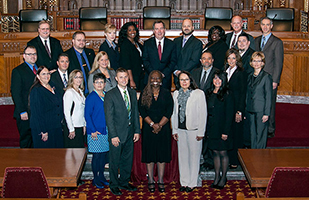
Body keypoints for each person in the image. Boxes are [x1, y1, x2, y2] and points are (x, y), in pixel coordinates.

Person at [104, 68, 140, 196]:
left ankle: (124, 182)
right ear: (116, 79)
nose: (124, 79)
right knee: (114, 161)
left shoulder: (131, 92)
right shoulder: (110, 94)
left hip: (130, 132)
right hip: (117, 134)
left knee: (127, 159)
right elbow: (109, 117)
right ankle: (114, 184)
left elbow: (135, 113)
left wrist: (137, 130)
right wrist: (113, 135)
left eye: (126, 77)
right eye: (121, 77)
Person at [171, 71, 207, 193]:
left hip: (194, 130)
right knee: (183, 157)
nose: (184, 82)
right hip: (180, 130)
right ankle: (184, 182)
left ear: (191, 80)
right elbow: (174, 113)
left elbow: (203, 114)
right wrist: (174, 129)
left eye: (186, 79)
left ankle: (192, 183)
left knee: (194, 157)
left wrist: (201, 132)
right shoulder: (176, 94)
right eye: (181, 80)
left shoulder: (198, 93)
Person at [138, 70, 173, 193]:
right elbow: (142, 110)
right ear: (149, 79)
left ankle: (161, 180)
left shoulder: (166, 93)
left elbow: (169, 111)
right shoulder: (144, 93)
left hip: (163, 129)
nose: (155, 81)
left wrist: (159, 125)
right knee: (150, 155)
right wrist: (153, 124)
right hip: (149, 128)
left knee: (162, 156)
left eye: (158, 79)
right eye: (152, 78)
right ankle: (151, 180)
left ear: (161, 80)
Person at [254, 17, 284, 138]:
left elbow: (278, 63)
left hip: (270, 78)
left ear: (272, 26)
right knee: (259, 102)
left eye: (268, 25)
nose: (265, 27)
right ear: (260, 26)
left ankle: (270, 129)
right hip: (257, 77)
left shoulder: (277, 42)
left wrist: (275, 80)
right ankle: (258, 126)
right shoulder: (256, 40)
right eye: (263, 24)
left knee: (269, 104)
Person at [205, 71, 234, 189]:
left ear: (223, 80)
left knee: (223, 152)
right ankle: (216, 176)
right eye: (215, 78)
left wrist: (225, 131)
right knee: (215, 152)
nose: (217, 81)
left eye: (219, 79)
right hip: (211, 127)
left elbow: (229, 114)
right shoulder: (209, 93)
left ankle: (223, 177)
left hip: (222, 127)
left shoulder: (227, 93)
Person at [191, 50, 219, 170]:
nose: (206, 61)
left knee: (209, 135)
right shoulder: (194, 72)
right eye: (204, 58)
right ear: (200, 61)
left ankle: (209, 160)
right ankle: (198, 158)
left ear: (212, 60)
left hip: (211, 109)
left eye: (209, 58)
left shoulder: (217, 73)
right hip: (196, 109)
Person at [85, 73, 110, 189]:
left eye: (102, 82)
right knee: (96, 157)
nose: (100, 84)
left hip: (105, 131)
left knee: (103, 156)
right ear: (93, 84)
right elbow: (87, 115)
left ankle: (102, 177)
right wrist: (93, 130)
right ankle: (96, 178)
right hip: (95, 132)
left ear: (105, 84)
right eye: (97, 82)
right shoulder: (91, 97)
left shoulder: (106, 95)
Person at [29, 66, 64, 148]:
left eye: (48, 73)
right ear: (38, 76)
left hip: (56, 126)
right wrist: (43, 131)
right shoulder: (36, 90)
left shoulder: (53, 86)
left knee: (58, 154)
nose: (46, 76)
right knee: (46, 156)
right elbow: (36, 112)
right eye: (43, 74)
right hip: (44, 128)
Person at [11, 46, 38, 148]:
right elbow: (16, 93)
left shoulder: (40, 69)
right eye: (29, 54)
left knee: (37, 140)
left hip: (37, 112)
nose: (32, 56)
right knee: (27, 141)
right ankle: (26, 163)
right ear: (24, 56)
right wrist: (22, 111)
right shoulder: (18, 71)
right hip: (25, 113)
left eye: (34, 54)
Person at [224, 48, 247, 169]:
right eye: (229, 58)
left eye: (233, 58)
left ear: (237, 59)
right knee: (228, 133)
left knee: (236, 134)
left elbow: (242, 93)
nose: (231, 60)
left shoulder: (241, 72)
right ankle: (227, 158)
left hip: (236, 107)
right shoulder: (224, 71)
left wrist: (239, 111)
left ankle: (235, 160)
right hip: (226, 107)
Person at [246, 52, 272, 149]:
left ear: (263, 63)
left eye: (259, 61)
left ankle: (260, 157)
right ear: (251, 63)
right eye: (254, 61)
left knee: (260, 135)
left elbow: (268, 96)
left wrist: (267, 113)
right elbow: (247, 94)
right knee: (252, 135)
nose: (256, 63)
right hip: (250, 109)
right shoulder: (249, 76)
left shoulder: (266, 77)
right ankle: (253, 156)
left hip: (261, 110)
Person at [143, 20, 177, 90]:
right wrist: (154, 74)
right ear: (153, 31)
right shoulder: (147, 44)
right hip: (150, 79)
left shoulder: (171, 44)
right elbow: (145, 60)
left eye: (161, 28)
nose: (159, 31)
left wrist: (163, 74)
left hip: (165, 79)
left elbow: (173, 61)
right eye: (156, 29)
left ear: (164, 30)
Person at [65, 31, 96, 95]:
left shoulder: (90, 53)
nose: (81, 42)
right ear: (73, 41)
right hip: (77, 91)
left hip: (93, 89)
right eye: (79, 40)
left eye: (83, 40)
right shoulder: (67, 55)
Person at [173, 18, 203, 83]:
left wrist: (182, 72)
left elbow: (194, 60)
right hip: (177, 76)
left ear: (193, 28)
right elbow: (172, 58)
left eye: (188, 26)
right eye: (184, 26)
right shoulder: (176, 41)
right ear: (182, 28)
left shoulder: (197, 43)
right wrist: (176, 71)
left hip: (190, 76)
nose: (186, 28)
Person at [63, 69, 86, 148]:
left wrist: (84, 125)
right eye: (76, 77)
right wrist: (71, 129)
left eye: (80, 77)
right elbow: (67, 112)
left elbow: (82, 110)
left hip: (80, 125)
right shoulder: (69, 92)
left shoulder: (80, 91)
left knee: (80, 152)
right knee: (72, 154)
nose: (79, 79)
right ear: (72, 79)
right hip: (72, 126)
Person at [118, 22, 144, 90]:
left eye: (134, 30)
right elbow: (127, 65)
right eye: (129, 30)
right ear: (126, 32)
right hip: (132, 76)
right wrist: (131, 80)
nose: (132, 32)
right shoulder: (125, 45)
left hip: (139, 75)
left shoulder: (137, 43)